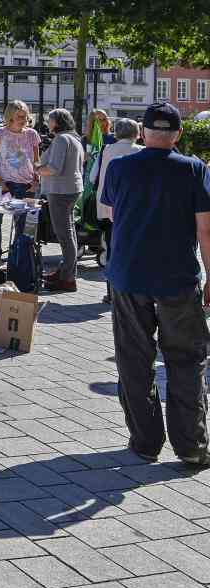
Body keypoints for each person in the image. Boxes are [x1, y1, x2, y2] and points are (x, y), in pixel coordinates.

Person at [100, 102, 210, 465]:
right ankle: (192, 446)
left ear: (143, 133)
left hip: (129, 275)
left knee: (134, 359)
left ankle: (146, 442)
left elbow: (114, 215)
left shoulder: (118, 167)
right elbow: (205, 230)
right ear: (178, 134)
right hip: (178, 277)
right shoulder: (194, 169)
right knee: (186, 360)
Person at [0, 100, 42, 260]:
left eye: (25, 116)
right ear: (10, 116)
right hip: (1, 184)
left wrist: (36, 180)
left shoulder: (32, 134)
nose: (24, 119)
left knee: (26, 224)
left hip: (27, 185)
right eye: (20, 116)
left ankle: (20, 255)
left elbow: (37, 160)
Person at [37, 108, 85, 293]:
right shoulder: (74, 139)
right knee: (69, 233)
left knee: (64, 235)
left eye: (50, 120)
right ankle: (67, 274)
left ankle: (67, 277)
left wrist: (38, 170)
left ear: (57, 122)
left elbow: (54, 168)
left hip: (60, 191)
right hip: (71, 189)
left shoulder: (61, 139)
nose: (48, 123)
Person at [96, 118, 141, 303]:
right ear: (137, 134)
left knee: (111, 249)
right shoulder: (141, 152)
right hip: (134, 210)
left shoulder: (106, 150)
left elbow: (94, 176)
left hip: (107, 207)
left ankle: (111, 292)